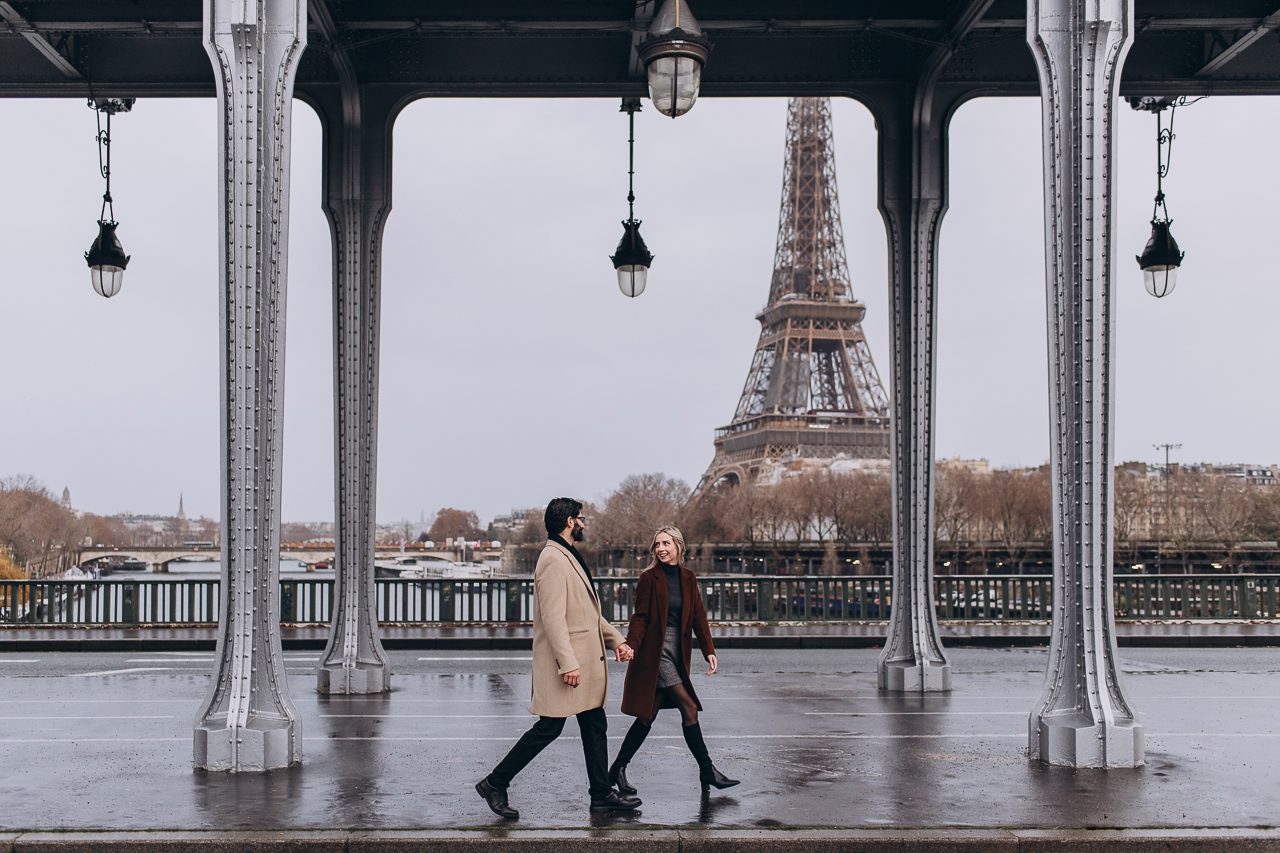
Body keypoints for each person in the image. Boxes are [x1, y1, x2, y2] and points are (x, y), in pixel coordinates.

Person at [475, 497, 641, 819]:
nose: (583, 523)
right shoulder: (552, 559)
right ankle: (495, 782)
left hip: (582, 663)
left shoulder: (566, 555)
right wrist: (568, 663)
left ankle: (601, 794)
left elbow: (587, 614)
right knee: (548, 728)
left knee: (594, 724)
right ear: (569, 522)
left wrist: (616, 640)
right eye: (581, 518)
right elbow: (553, 619)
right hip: (571, 666)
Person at [608, 525, 739, 796]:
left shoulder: (688, 578)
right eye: (657, 545)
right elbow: (640, 617)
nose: (661, 549)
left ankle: (617, 769)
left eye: (666, 543)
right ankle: (707, 770)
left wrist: (709, 650)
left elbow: (698, 618)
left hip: (677, 651)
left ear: (679, 546)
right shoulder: (649, 578)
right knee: (689, 707)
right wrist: (630, 644)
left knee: (647, 715)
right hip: (655, 654)